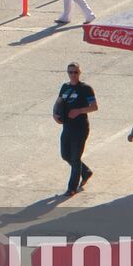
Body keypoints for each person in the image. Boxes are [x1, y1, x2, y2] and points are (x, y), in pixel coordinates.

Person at [52, 62, 97, 196]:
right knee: (65, 155)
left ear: (79, 73)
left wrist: (79, 111)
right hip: (67, 126)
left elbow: (94, 106)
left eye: (75, 72)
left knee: (75, 158)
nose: (73, 75)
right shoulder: (65, 87)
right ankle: (86, 172)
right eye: (70, 72)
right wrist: (54, 113)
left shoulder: (86, 88)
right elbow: (58, 102)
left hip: (80, 127)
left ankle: (72, 188)